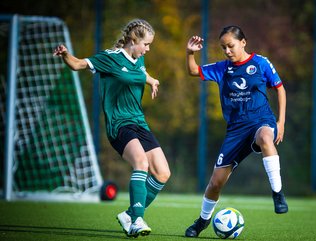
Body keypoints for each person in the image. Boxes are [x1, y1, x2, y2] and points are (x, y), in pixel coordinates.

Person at [53, 19, 171, 238]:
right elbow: (78, 64)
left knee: (163, 173)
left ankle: (128, 214)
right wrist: (66, 55)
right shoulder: (110, 58)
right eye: (146, 44)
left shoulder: (138, 59)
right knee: (141, 164)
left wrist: (153, 80)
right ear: (133, 40)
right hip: (119, 124)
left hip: (139, 123)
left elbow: (140, 73)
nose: (148, 49)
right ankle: (136, 220)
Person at [184, 26, 288, 238]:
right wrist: (190, 53)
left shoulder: (260, 63)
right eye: (223, 48)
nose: (227, 51)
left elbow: (280, 88)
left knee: (266, 137)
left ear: (243, 42)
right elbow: (193, 71)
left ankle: (277, 193)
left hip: (262, 120)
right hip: (236, 130)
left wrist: (281, 122)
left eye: (230, 46)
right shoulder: (222, 68)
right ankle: (203, 221)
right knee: (215, 183)